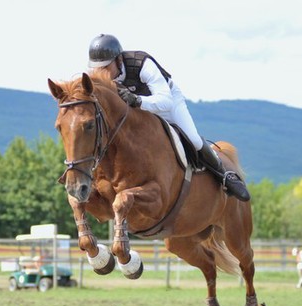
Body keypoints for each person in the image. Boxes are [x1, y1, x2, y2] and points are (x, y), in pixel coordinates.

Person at [87, 33, 250, 202]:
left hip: (168, 103)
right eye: (98, 67)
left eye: (106, 67)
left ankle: (225, 175)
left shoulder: (141, 64)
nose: (101, 72)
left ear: (119, 60)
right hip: (139, 111)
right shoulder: (97, 76)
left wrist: (138, 100)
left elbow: (165, 101)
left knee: (193, 139)